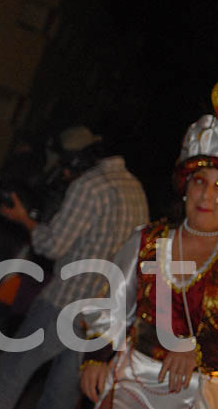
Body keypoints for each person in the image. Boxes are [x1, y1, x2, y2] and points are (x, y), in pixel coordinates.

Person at [0, 126, 149, 409]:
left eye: (67, 166)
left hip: (65, 302)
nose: (66, 174)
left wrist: (24, 219)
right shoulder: (136, 190)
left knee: (8, 375)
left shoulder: (91, 185)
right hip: (101, 317)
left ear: (77, 160)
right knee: (61, 398)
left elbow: (53, 245)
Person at [79, 113, 218, 408]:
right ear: (185, 187)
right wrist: (96, 357)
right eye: (200, 181)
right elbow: (112, 306)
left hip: (202, 392)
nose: (207, 195)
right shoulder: (148, 241)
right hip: (135, 377)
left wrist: (199, 350)